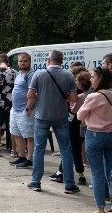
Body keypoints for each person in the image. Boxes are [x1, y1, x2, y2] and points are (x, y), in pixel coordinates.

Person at [26, 50, 78, 193]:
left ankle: (36, 182)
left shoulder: (39, 74)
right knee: (66, 150)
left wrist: (36, 100)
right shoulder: (68, 75)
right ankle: (69, 184)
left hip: (42, 116)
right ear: (61, 60)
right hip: (61, 117)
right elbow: (74, 99)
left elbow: (30, 95)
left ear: (48, 60)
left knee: (39, 149)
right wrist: (64, 97)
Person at [77, 67, 112, 213]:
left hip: (95, 135)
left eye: (93, 76)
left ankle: (100, 209)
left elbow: (79, 115)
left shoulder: (94, 96)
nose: (91, 79)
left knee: (97, 174)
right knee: (111, 173)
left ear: (100, 78)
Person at [9, 52, 34, 169]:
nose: (22, 63)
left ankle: (29, 159)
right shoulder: (19, 74)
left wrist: (28, 107)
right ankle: (21, 156)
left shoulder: (31, 75)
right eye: (20, 61)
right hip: (15, 109)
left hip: (25, 110)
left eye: (25, 61)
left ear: (29, 61)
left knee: (29, 135)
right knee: (16, 133)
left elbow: (33, 93)